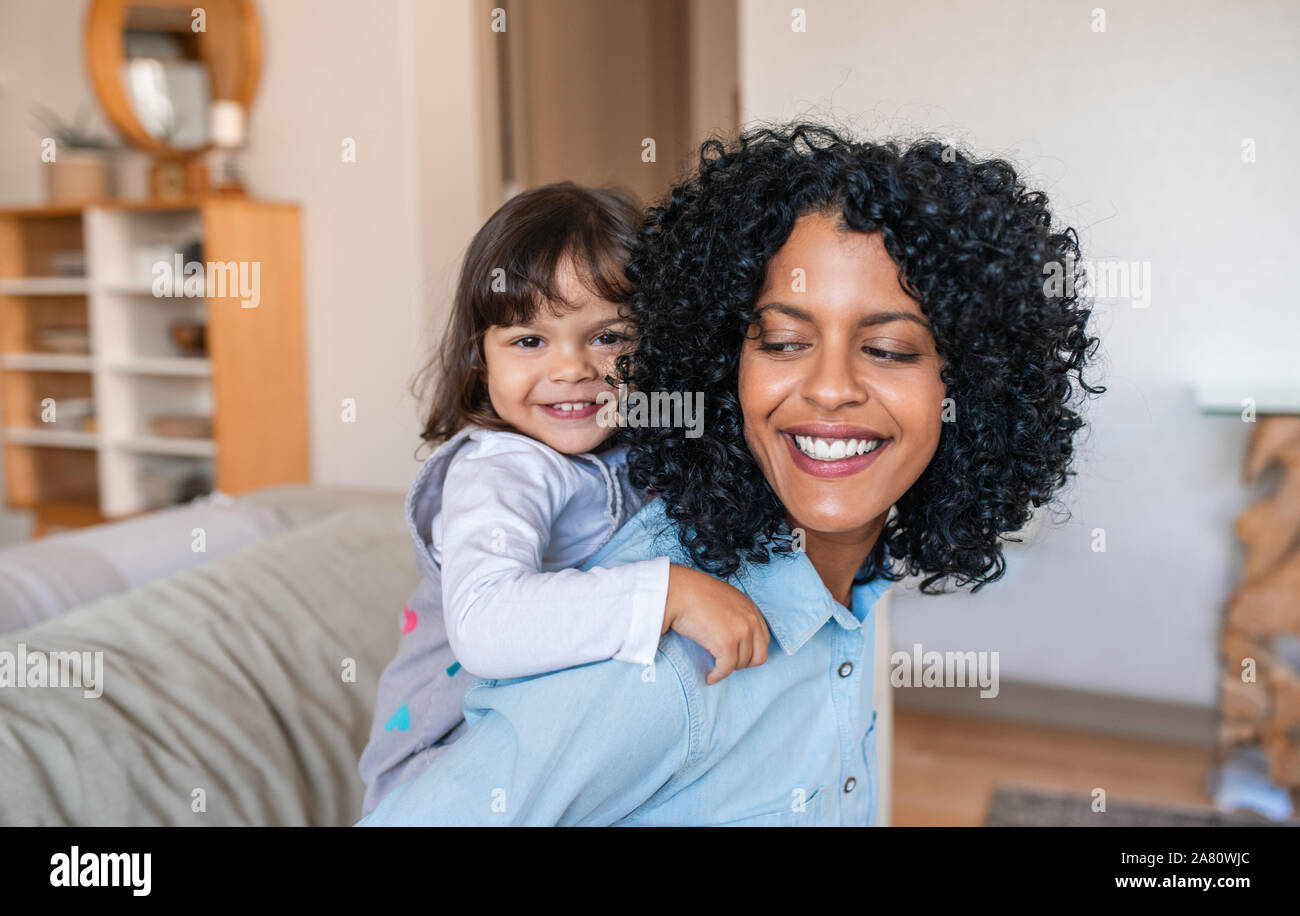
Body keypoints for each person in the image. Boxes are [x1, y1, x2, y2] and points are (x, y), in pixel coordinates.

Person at [358, 123, 1104, 826]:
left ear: (970, 383)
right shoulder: (665, 661)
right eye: (781, 340)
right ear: (717, 362)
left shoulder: (844, 575)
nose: (831, 387)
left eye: (890, 349)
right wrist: (668, 595)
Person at [357, 182, 769, 817]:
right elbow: (486, 621)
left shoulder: (641, 436)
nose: (571, 368)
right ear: (480, 358)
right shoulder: (501, 468)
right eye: (529, 341)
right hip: (449, 770)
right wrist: (669, 593)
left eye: (608, 338)